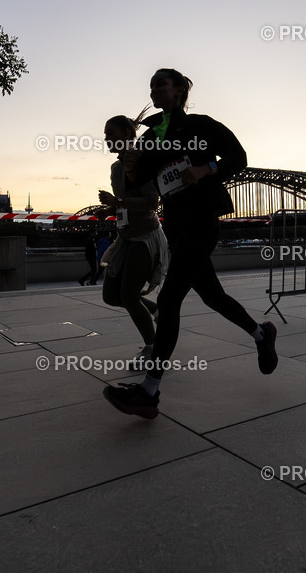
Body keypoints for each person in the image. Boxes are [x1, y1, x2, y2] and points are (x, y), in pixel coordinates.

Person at [103, 68, 278, 419]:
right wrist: (133, 165)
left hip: (202, 221)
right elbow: (144, 181)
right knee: (212, 295)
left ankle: (148, 392)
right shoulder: (151, 135)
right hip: (177, 225)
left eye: (161, 84)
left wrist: (205, 170)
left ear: (181, 90)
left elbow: (237, 158)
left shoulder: (201, 126)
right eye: (151, 85)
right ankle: (262, 335)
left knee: (168, 300)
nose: (154, 90)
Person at [97, 114, 169, 357]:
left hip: (144, 237)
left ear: (127, 134)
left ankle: (152, 349)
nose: (106, 138)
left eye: (110, 133)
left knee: (127, 296)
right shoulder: (116, 167)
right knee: (111, 295)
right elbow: (125, 204)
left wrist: (116, 200)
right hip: (126, 237)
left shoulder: (140, 160)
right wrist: (109, 208)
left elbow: (151, 203)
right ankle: (155, 310)